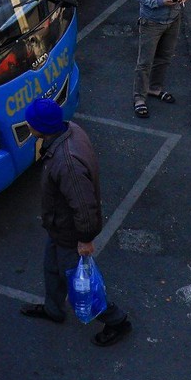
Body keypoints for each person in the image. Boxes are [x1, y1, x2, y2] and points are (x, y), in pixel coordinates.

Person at [19, 98, 131, 346]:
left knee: (83, 287)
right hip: (59, 228)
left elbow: (84, 205)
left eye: (30, 123)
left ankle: (117, 320)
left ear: (42, 128)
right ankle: (53, 309)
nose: (27, 124)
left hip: (70, 234)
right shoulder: (71, 131)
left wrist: (85, 239)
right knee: (52, 268)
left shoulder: (66, 162)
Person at [127, 0, 190, 119]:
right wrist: (160, 2)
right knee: (145, 62)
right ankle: (139, 98)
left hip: (173, 18)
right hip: (152, 21)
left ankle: (155, 88)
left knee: (165, 57)